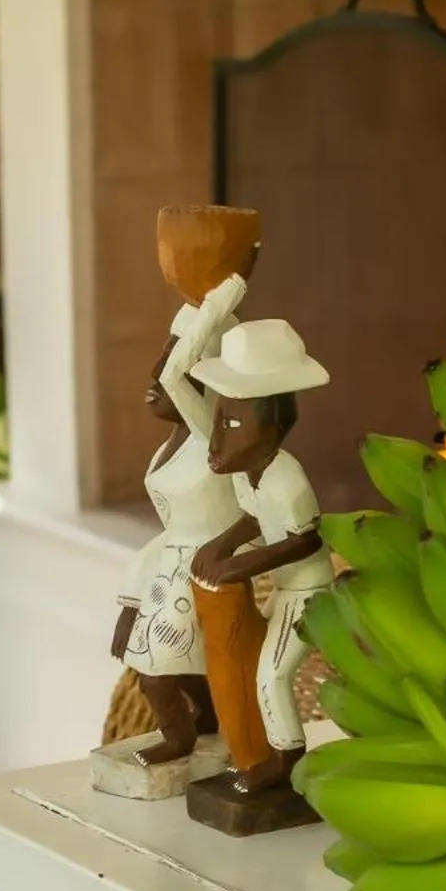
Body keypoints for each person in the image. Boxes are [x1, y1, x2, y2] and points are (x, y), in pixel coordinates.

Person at [190, 319, 333, 796]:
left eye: (231, 424)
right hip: (284, 587)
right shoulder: (246, 473)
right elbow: (253, 520)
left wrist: (238, 566)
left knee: (272, 673)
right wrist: (221, 545)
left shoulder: (288, 479)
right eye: (218, 420)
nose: (216, 441)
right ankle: (258, 750)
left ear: (272, 429)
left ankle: (288, 762)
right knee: (250, 659)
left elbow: (305, 542)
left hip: (308, 591)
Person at [110, 275, 246, 764]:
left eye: (170, 361)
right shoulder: (174, 446)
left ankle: (179, 735)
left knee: (155, 671)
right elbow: (166, 538)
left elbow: (176, 374)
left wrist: (222, 294)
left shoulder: (210, 434)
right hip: (172, 570)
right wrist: (130, 604)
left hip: (205, 571)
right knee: (183, 664)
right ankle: (210, 720)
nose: (155, 374)